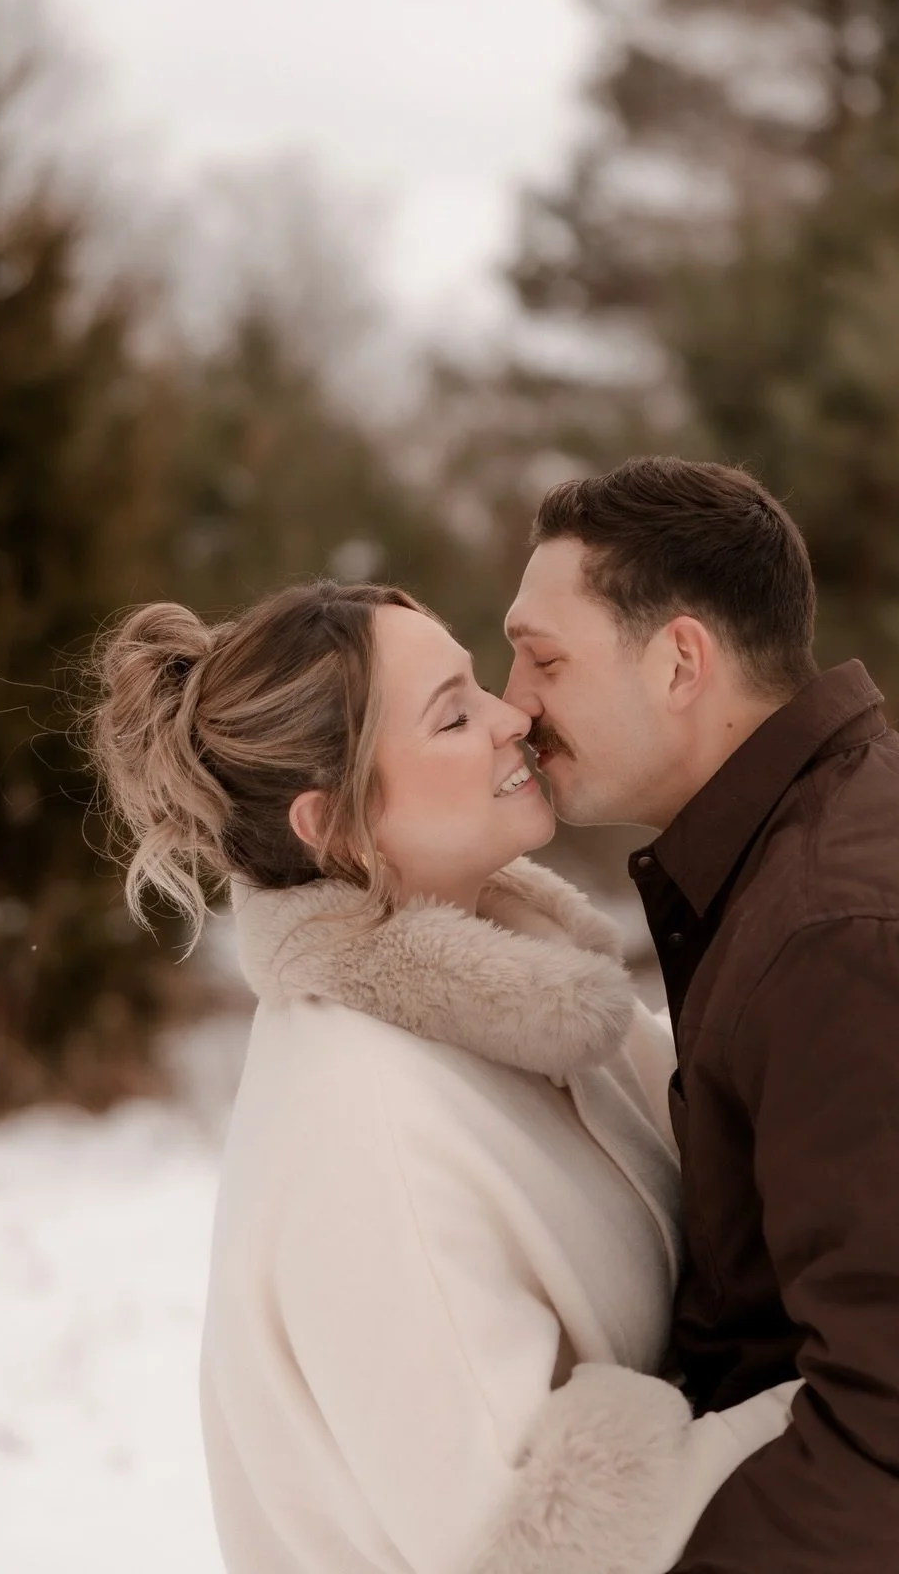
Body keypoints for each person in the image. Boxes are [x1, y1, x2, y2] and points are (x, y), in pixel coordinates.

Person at [503, 456, 899, 1574]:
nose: (513, 701)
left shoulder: (847, 928)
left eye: (543, 659)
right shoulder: (832, 847)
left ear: (679, 662)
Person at [87, 580, 797, 1574]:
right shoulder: (361, 1124)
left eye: (481, 687)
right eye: (454, 714)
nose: (516, 719)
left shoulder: (530, 1014)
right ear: (333, 826)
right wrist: (856, 1406)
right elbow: (530, 1541)